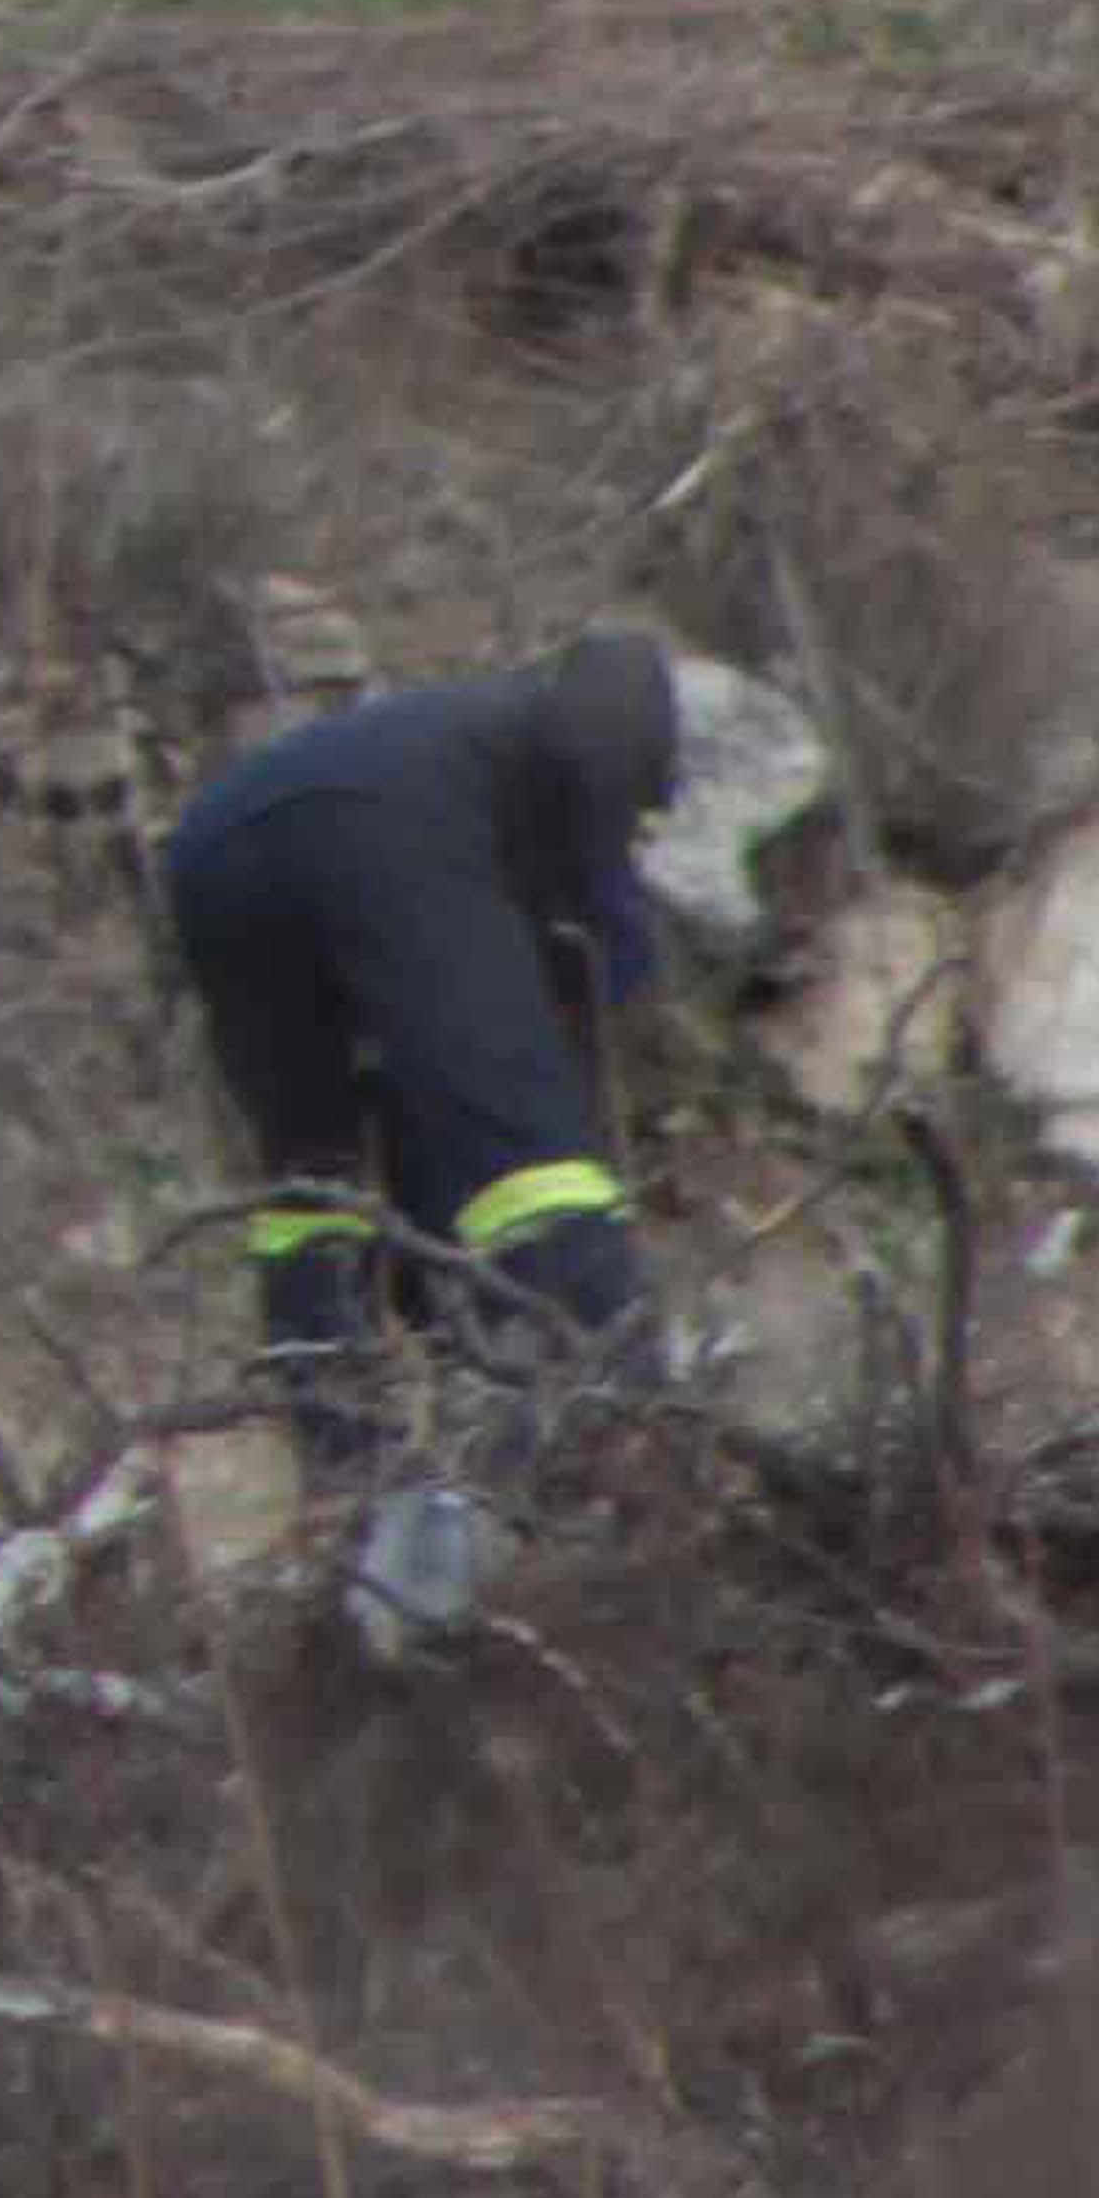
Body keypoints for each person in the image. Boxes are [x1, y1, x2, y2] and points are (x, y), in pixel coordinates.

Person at [161, 630, 677, 1552]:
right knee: (522, 1143)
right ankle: (621, 1402)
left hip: (214, 854)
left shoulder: (493, 739)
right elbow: (572, 1010)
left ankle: (343, 1456)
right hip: (376, 830)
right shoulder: (550, 795)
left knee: (317, 1171)